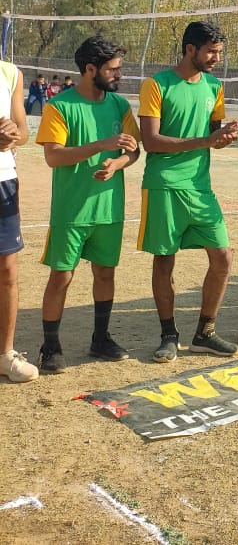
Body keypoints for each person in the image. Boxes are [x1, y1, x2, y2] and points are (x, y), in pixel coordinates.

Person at [137, 22, 238, 363]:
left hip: (200, 187)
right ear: (190, 49)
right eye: (211, 52)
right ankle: (168, 335)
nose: (216, 59)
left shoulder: (214, 87)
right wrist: (205, 141)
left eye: (219, 53)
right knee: (164, 259)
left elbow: (212, 136)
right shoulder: (156, 85)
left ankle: (205, 333)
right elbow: (151, 141)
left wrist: (224, 137)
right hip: (164, 184)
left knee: (223, 256)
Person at [35, 37, 141, 374]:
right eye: (113, 69)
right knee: (62, 276)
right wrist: (101, 145)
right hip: (72, 210)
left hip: (109, 209)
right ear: (90, 69)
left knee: (105, 273)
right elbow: (54, 157)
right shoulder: (60, 106)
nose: (118, 75)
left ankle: (100, 339)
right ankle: (50, 346)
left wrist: (117, 163)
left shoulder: (120, 105)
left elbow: (133, 151)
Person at [0, 59, 35, 382]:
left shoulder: (10, 73)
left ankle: (5, 354)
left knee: (7, 270)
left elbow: (22, 131)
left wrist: (12, 134)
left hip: (4, 180)